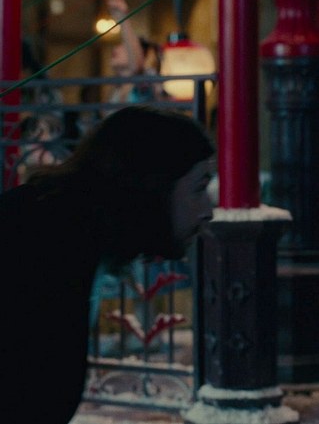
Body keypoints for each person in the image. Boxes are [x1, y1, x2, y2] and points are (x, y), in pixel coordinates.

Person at [0, 106, 215, 423]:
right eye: (198, 188)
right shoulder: (45, 243)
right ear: (152, 183)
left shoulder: (64, 228)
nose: (208, 209)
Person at [106, 0, 163, 104]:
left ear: (142, 54)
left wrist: (123, 18)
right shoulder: (116, 88)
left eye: (123, 45)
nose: (115, 48)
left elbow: (136, 67)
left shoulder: (146, 80)